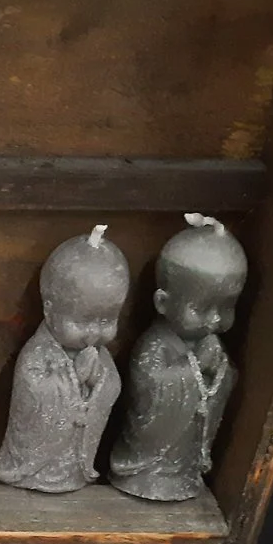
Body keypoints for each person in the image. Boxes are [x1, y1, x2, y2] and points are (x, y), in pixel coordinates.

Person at [108, 215, 248, 503]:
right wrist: (193, 369)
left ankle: (185, 473)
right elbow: (149, 387)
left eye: (227, 307)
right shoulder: (153, 343)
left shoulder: (211, 342)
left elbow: (225, 379)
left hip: (184, 461)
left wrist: (220, 372)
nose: (215, 319)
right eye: (202, 307)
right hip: (148, 461)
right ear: (162, 302)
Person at [0, 226, 129, 493]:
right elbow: (31, 391)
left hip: (75, 467)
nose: (94, 332)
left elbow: (111, 386)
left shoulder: (100, 356)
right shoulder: (37, 352)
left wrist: (97, 381)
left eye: (106, 320)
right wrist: (74, 380)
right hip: (35, 466)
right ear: (49, 309)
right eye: (82, 320)